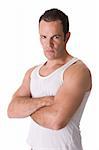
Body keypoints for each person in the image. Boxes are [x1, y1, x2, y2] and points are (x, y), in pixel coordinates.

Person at [7, 8, 92, 150]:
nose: (48, 44)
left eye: (56, 37)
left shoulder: (77, 71)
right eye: (44, 37)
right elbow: (12, 110)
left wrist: (26, 107)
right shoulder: (32, 73)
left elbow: (56, 121)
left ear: (67, 37)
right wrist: (44, 101)